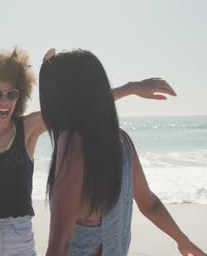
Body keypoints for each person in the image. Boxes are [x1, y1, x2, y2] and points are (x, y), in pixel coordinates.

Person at [0, 47, 176, 255]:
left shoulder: (28, 127)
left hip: (19, 236)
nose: (4, 101)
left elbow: (82, 105)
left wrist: (131, 88)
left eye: (11, 94)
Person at [39, 48, 206, 256]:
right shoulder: (121, 143)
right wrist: (183, 240)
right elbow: (149, 203)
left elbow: (61, 242)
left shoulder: (72, 143)